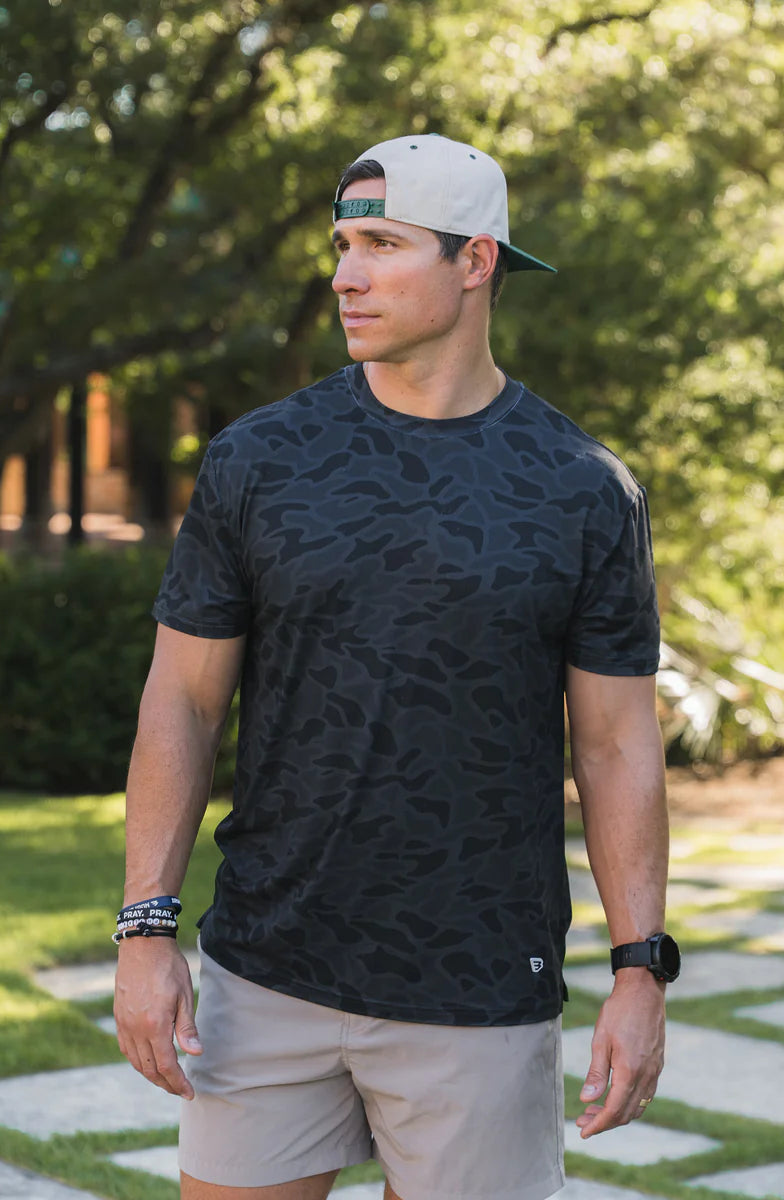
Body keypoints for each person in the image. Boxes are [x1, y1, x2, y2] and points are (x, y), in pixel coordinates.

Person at [113, 133, 677, 1200]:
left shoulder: (582, 489)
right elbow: (182, 701)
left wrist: (640, 967)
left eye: (382, 245)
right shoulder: (258, 461)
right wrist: (146, 928)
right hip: (269, 969)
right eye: (341, 246)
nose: (345, 276)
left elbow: (615, 744)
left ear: (477, 262)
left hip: (478, 988)